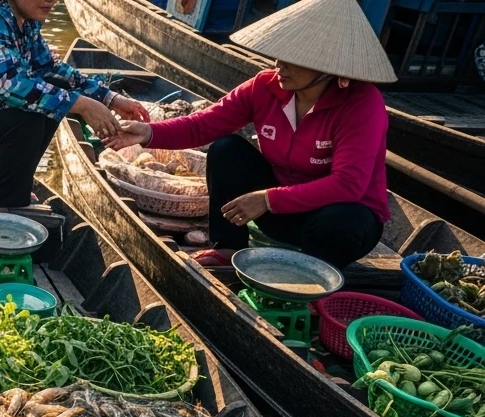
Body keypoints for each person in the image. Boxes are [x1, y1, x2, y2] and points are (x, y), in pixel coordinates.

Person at [107, 0, 395, 268]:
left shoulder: (361, 104)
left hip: (339, 225)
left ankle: (315, 276)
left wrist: (267, 200)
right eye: (279, 54)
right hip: (282, 215)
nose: (278, 64)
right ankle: (228, 247)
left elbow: (348, 185)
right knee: (226, 149)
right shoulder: (265, 87)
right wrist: (147, 133)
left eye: (292, 58)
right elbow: (202, 125)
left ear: (327, 67)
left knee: (343, 220)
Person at [0, 0, 148, 212]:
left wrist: (109, 98)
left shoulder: (25, 21)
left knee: (52, 88)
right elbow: (11, 86)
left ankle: (14, 182)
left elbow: (52, 70)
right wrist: (82, 105)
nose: (52, 0)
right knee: (31, 113)